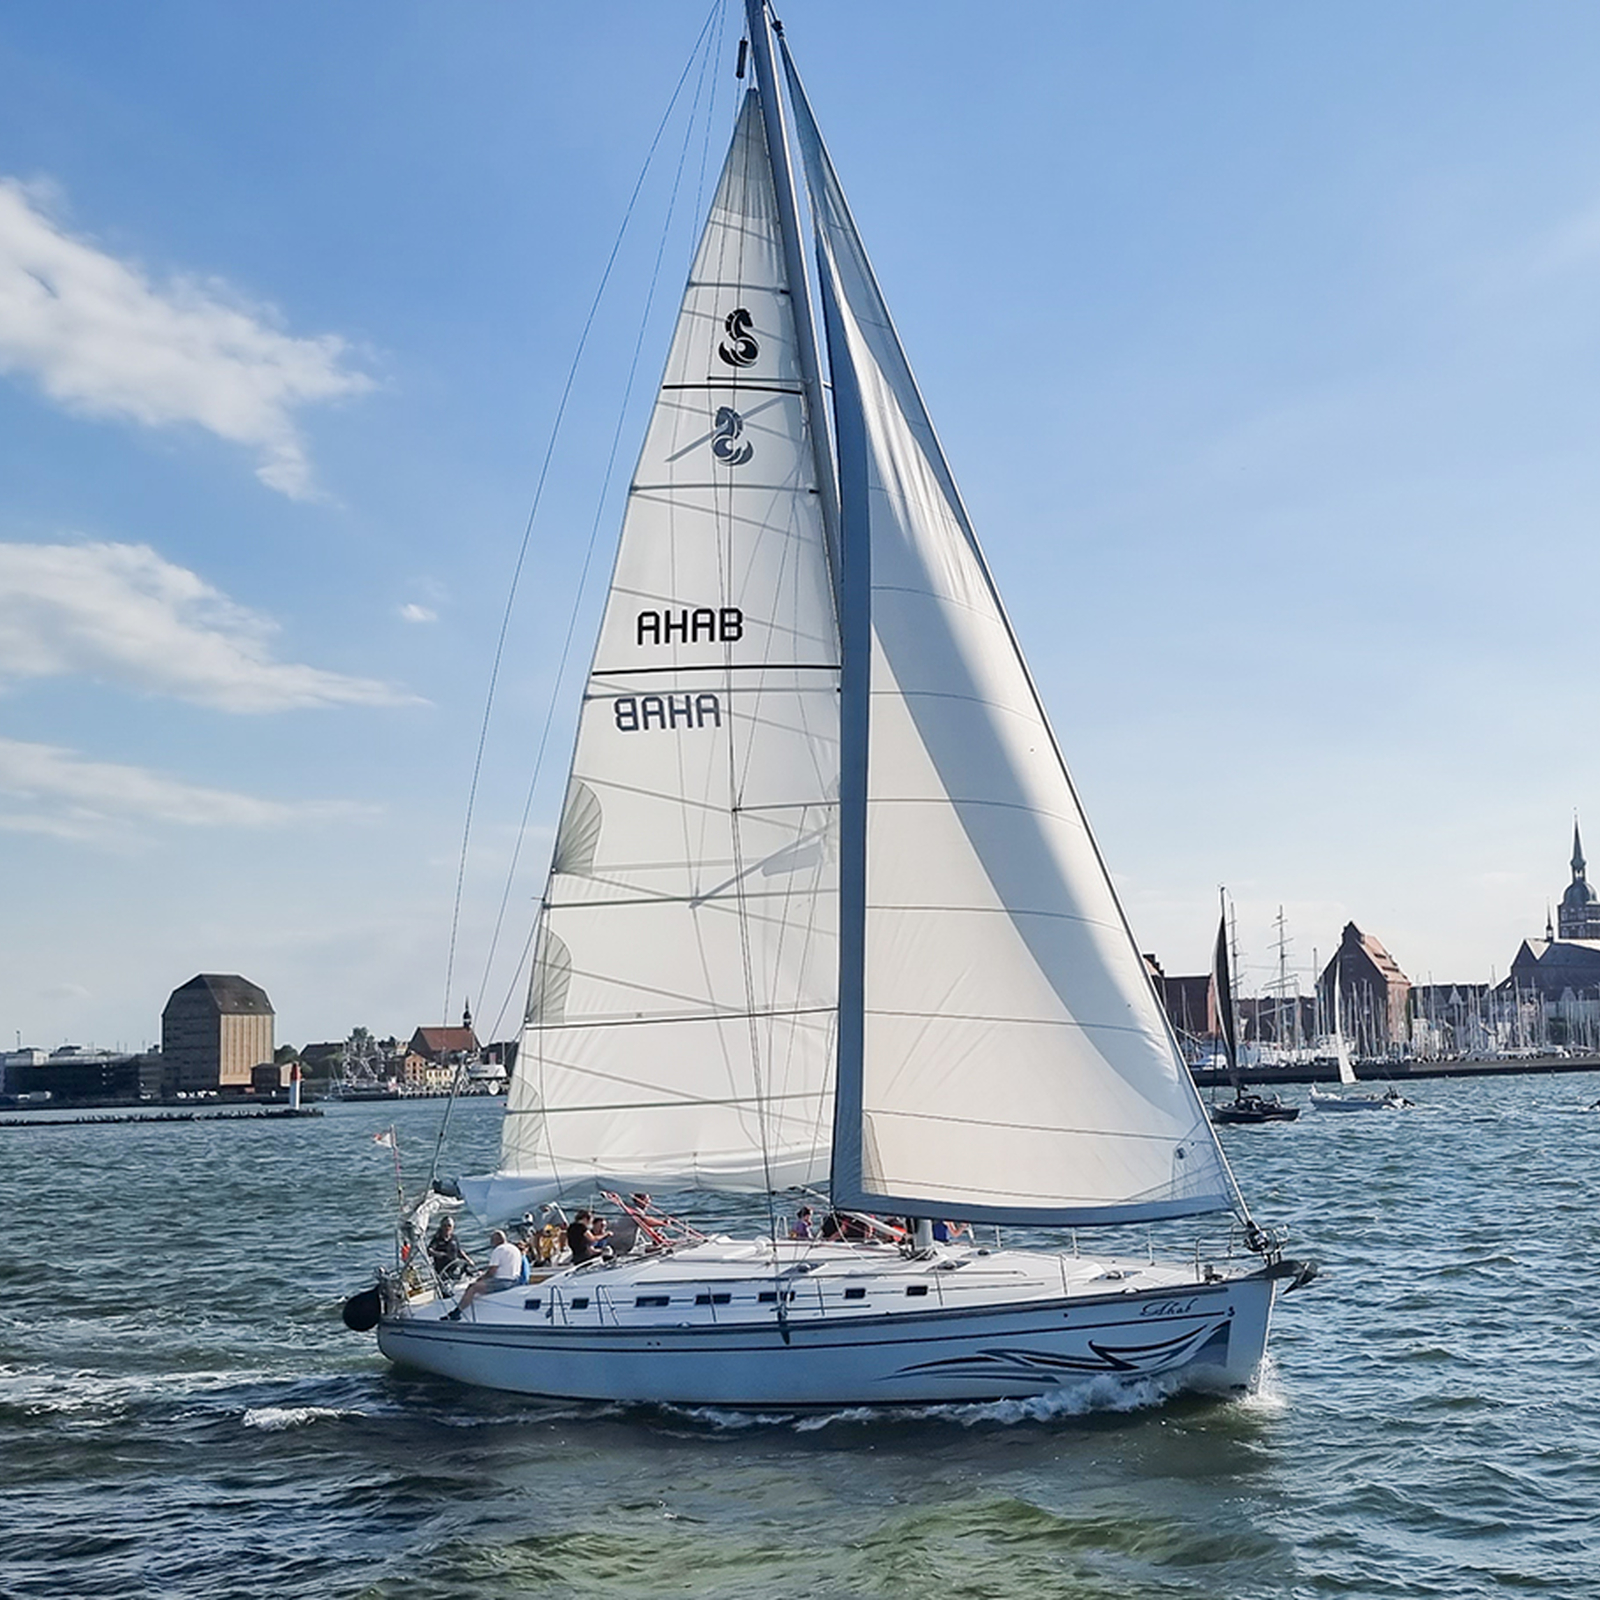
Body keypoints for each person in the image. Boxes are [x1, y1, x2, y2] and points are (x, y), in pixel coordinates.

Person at [444, 1229, 524, 1320]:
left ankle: (457, 1312)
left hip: (502, 1282)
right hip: (515, 1281)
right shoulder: (515, 1249)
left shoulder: (499, 1250)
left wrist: (480, 1279)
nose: (491, 1243)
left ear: (497, 1240)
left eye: (492, 1240)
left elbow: (492, 1272)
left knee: (472, 1288)